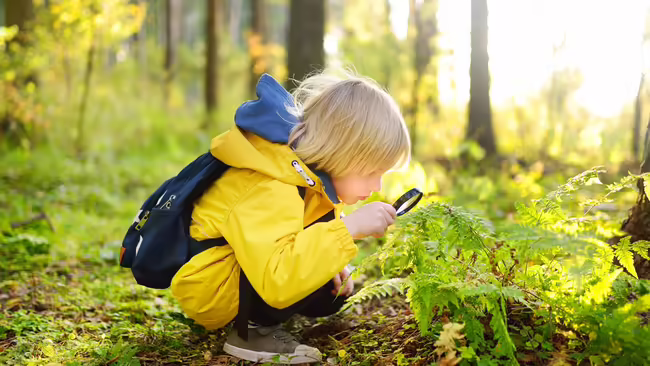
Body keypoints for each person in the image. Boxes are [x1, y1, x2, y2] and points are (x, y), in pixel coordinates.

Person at [170, 70, 411, 364]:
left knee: (329, 290)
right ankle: (251, 333)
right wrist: (347, 229)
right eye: (371, 172)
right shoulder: (271, 183)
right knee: (308, 272)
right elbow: (277, 275)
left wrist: (331, 260)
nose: (377, 187)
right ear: (341, 153)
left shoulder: (310, 180)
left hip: (252, 270)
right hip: (213, 288)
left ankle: (260, 320)